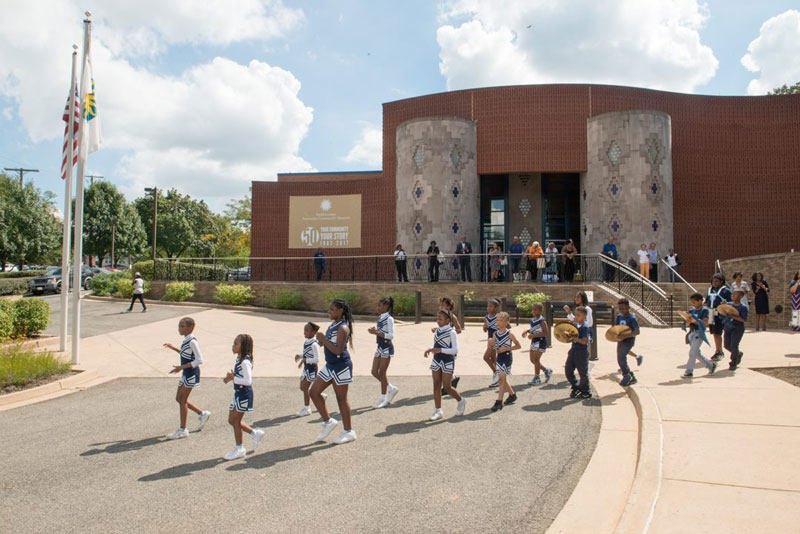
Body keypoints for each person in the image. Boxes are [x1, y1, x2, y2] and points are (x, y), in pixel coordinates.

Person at [310, 300, 356, 444]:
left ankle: (349, 432)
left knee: (341, 399)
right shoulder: (333, 325)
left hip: (341, 366)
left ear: (340, 311)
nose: (329, 312)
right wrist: (321, 342)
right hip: (330, 366)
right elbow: (330, 345)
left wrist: (323, 338)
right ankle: (328, 421)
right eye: (328, 309)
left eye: (332, 309)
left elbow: (338, 350)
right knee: (313, 392)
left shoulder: (343, 328)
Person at [162, 317, 211, 439]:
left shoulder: (192, 341)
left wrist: (181, 367)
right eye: (179, 326)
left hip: (191, 374)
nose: (179, 328)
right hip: (186, 372)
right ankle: (202, 413)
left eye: (182, 326)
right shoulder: (186, 340)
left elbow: (199, 360)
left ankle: (183, 430)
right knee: (179, 398)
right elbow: (185, 354)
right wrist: (173, 347)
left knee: (182, 400)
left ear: (190, 327)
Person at [222, 334, 265, 460]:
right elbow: (240, 376)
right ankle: (254, 433)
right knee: (232, 420)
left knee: (235, 421)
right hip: (238, 394)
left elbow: (248, 381)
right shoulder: (240, 359)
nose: (233, 346)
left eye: (236, 344)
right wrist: (230, 378)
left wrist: (233, 378)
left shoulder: (245, 361)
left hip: (244, 394)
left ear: (243, 346)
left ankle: (239, 448)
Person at [424, 309, 467, 420]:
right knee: (436, 384)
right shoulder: (438, 330)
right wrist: (430, 348)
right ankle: (438, 410)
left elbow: (455, 350)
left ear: (448, 320)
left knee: (447, 387)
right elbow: (437, 344)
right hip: (436, 360)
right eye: (437, 319)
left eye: (441, 319)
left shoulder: (451, 332)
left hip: (447, 361)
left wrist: (440, 350)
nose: (438, 321)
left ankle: (461, 400)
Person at [367, 296, 399, 408]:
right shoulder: (380, 318)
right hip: (380, 347)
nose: (377, 307)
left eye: (379, 305)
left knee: (382, 372)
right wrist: (375, 331)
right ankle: (391, 388)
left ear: (386, 306)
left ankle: (383, 398)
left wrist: (376, 333)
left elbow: (391, 335)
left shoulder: (389, 319)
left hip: (387, 347)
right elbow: (382, 332)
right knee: (374, 371)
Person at [681, 293, 717, 378]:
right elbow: (686, 324)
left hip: (698, 333)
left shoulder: (705, 310)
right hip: (691, 333)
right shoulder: (691, 310)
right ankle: (710, 365)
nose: (693, 304)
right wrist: (688, 321)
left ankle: (689, 371)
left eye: (694, 302)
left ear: (700, 301)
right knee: (696, 353)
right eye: (692, 302)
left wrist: (695, 321)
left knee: (692, 353)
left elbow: (705, 322)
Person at [491, 312, 521, 411]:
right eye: (497, 320)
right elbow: (495, 346)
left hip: (507, 357)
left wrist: (507, 348)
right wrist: (491, 344)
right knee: (502, 379)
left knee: (501, 379)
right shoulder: (495, 333)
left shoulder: (509, 334)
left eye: (501, 320)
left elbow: (518, 346)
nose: (498, 322)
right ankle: (512, 395)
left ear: (507, 322)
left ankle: (499, 401)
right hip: (499, 357)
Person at [294, 322, 325, 417]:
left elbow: (317, 359)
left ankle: (307, 408)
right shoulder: (307, 342)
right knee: (302, 387)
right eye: (304, 330)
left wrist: (305, 360)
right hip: (307, 368)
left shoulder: (314, 344)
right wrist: (300, 356)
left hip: (311, 369)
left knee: (305, 387)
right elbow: (307, 354)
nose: (304, 332)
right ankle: (321, 396)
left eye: (307, 330)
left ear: (313, 332)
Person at [437, 297, 462, 394]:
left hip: (450, 343)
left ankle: (447, 385)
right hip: (442, 342)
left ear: (448, 306)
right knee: (443, 363)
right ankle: (452, 379)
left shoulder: (452, 317)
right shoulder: (441, 316)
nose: (441, 306)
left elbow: (459, 330)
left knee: (448, 363)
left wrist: (449, 332)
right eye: (441, 304)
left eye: (443, 304)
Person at [565, 307, 591, 399]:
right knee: (568, 370)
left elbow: (584, 341)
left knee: (582, 372)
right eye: (576, 315)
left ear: (584, 316)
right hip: (573, 350)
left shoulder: (585, 327)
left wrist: (574, 338)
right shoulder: (575, 325)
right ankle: (576, 387)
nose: (576, 317)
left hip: (582, 352)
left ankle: (586, 391)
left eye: (579, 315)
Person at [523, 302, 552, 385]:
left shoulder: (542, 321)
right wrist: (527, 331)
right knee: (532, 360)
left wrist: (533, 335)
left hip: (541, 341)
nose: (533, 311)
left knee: (536, 359)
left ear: (540, 311)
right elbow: (533, 329)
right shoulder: (532, 320)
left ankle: (537, 377)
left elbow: (546, 333)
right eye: (533, 309)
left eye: (535, 310)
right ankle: (546, 370)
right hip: (534, 341)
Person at [614, 299, 641, 386]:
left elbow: (637, 331)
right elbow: (616, 328)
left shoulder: (632, 318)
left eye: (623, 308)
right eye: (620, 309)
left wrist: (626, 336)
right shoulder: (619, 317)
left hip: (629, 341)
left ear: (628, 307)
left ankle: (626, 375)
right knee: (619, 358)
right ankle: (632, 377)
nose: (622, 310)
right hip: (621, 341)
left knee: (622, 357)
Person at [706, 273, 731, 360]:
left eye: (717, 281)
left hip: (720, 314)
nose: (714, 283)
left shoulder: (725, 291)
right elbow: (707, 301)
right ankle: (718, 350)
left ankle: (719, 351)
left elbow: (731, 302)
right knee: (714, 332)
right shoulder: (710, 290)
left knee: (718, 332)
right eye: (713, 281)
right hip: (711, 313)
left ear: (721, 281)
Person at [724, 289, 748, 371]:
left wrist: (732, 316)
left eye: (735, 294)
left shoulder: (743, 307)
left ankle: (733, 362)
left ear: (740, 296)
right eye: (732, 294)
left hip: (737, 328)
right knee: (727, 345)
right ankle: (738, 353)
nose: (732, 295)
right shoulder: (729, 304)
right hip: (728, 327)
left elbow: (743, 319)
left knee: (734, 345)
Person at [564, 292, 594, 358]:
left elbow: (589, 322)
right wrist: (569, 312)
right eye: (576, 297)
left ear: (583, 298)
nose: (576, 299)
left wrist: (577, 321)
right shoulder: (577, 309)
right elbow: (575, 319)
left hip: (586, 331)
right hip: (578, 331)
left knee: (585, 349)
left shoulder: (587, 309)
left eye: (578, 297)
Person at [483, 298, 501, 387]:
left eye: (491, 306)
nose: (488, 308)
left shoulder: (498, 317)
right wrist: (485, 327)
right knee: (493, 358)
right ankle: (497, 377)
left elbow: (507, 326)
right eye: (488, 306)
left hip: (496, 340)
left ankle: (496, 373)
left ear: (496, 308)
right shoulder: (486, 317)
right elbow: (485, 329)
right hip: (490, 339)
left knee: (486, 357)